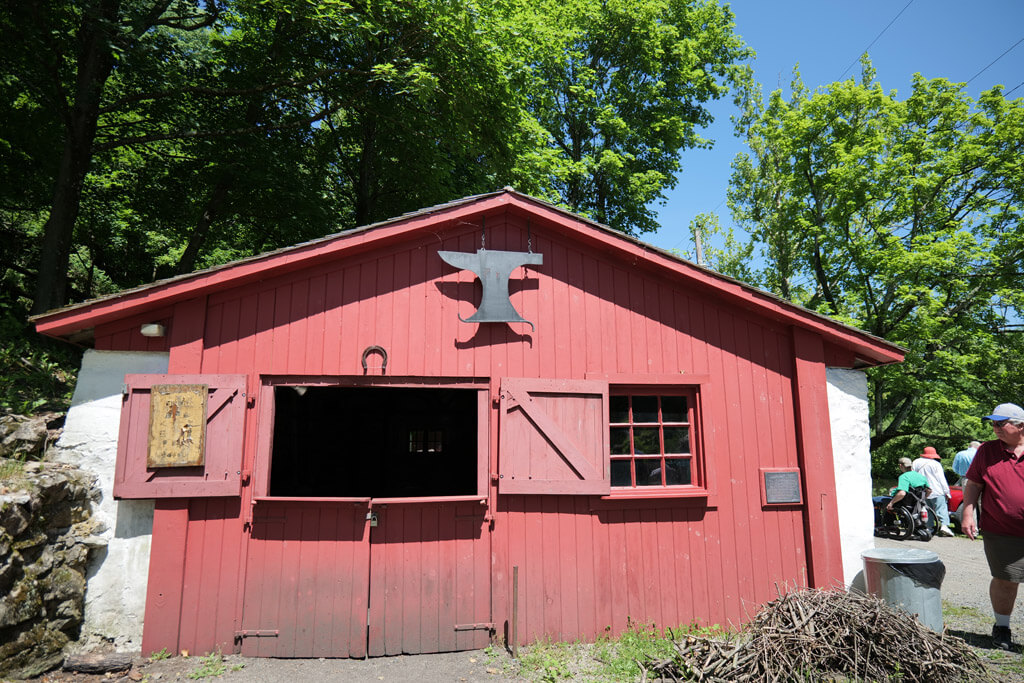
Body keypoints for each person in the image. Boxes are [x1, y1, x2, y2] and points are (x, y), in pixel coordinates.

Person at [962, 403, 1024, 651]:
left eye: (1001, 423)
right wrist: (968, 512)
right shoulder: (987, 451)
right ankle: (1002, 626)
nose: (995, 428)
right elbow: (974, 484)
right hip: (1001, 530)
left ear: (1021, 425)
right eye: (993, 424)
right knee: (1005, 579)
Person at [912, 446, 954, 536]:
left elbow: (913, 476)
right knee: (941, 509)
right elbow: (941, 479)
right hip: (936, 490)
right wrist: (947, 492)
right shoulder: (935, 464)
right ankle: (944, 526)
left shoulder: (915, 462)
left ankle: (929, 528)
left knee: (927, 510)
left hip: (922, 491)